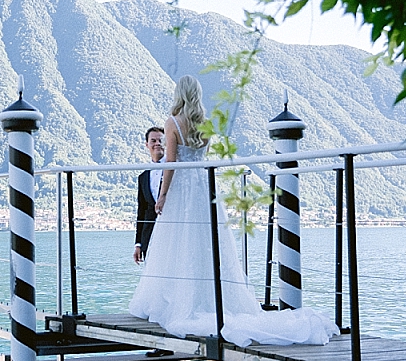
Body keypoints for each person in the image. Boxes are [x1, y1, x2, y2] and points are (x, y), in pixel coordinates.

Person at [128, 75, 339, 347]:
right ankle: (213, 298)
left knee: (178, 242)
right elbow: (198, 158)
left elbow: (171, 163)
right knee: (205, 242)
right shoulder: (205, 124)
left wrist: (164, 194)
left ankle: (176, 299)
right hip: (203, 188)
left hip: (182, 188)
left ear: (178, 94)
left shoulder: (172, 123)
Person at [134, 126, 165, 264]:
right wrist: (138, 244)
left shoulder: (177, 170)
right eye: (153, 141)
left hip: (172, 229)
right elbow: (142, 211)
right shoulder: (143, 177)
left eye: (161, 140)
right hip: (150, 235)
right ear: (147, 145)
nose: (157, 143)